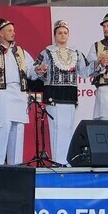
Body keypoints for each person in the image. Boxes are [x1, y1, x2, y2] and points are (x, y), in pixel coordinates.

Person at [0, 17, 34, 165]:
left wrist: (38, 70)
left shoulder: (21, 51)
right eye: (9, 31)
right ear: (1, 33)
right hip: (2, 91)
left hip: (19, 91)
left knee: (18, 126)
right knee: (5, 125)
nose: (13, 33)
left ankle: (16, 164)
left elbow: (30, 69)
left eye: (13, 31)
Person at [34, 20, 83, 164]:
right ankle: (58, 162)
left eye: (65, 33)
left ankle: (67, 162)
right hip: (54, 96)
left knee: (68, 128)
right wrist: (39, 70)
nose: (62, 35)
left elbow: (86, 70)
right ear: (55, 35)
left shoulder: (76, 53)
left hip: (70, 96)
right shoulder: (47, 52)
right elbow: (34, 69)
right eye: (60, 32)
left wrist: (98, 64)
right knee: (57, 129)